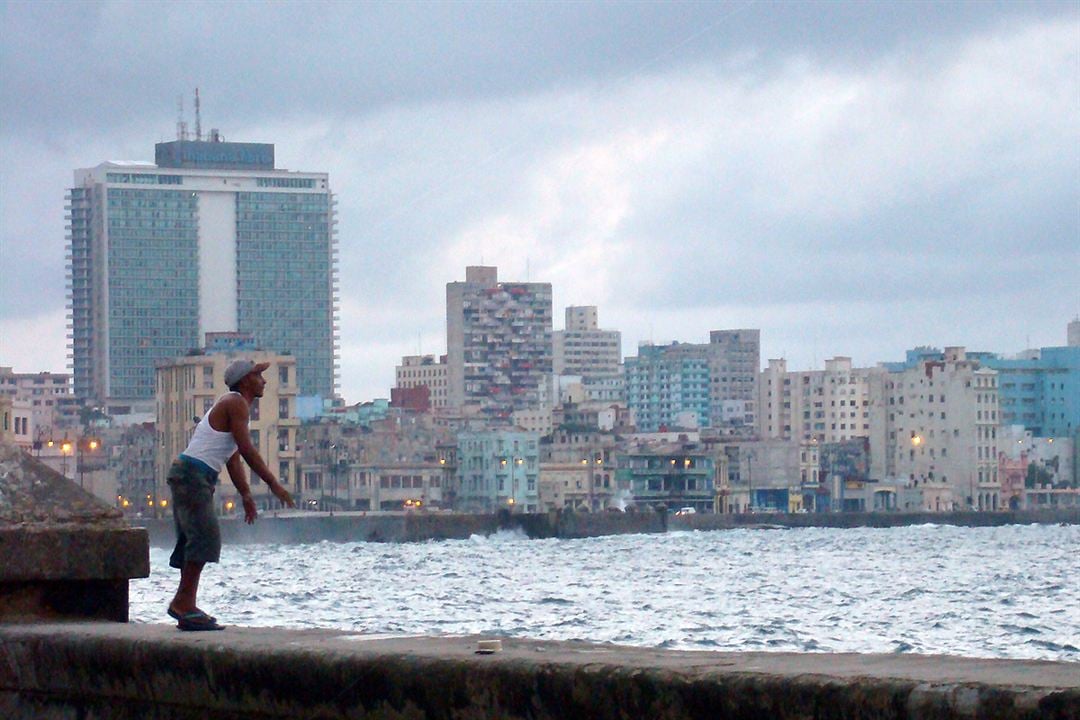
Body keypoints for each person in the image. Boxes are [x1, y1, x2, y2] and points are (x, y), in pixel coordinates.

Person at [165, 359, 296, 631]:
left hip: (191, 475)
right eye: (259, 375)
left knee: (195, 539)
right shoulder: (235, 403)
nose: (264, 381)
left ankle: (184, 602)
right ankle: (183, 604)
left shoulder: (234, 406)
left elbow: (233, 459)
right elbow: (247, 450)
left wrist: (246, 495)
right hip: (192, 476)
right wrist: (273, 484)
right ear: (246, 379)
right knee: (204, 538)